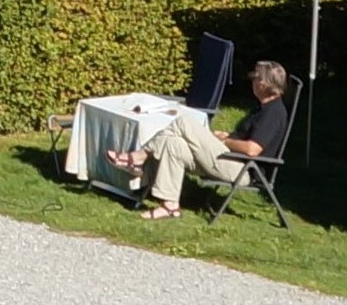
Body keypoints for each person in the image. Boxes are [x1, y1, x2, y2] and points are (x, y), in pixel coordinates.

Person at [106, 61, 294, 217]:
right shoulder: (263, 108)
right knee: (173, 144)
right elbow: (248, 138)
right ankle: (170, 205)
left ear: (263, 83)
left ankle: (138, 157)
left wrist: (225, 142)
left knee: (183, 122)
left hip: (242, 170)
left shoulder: (273, 113)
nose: (252, 81)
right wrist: (227, 136)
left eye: (255, 77)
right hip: (230, 159)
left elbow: (253, 149)